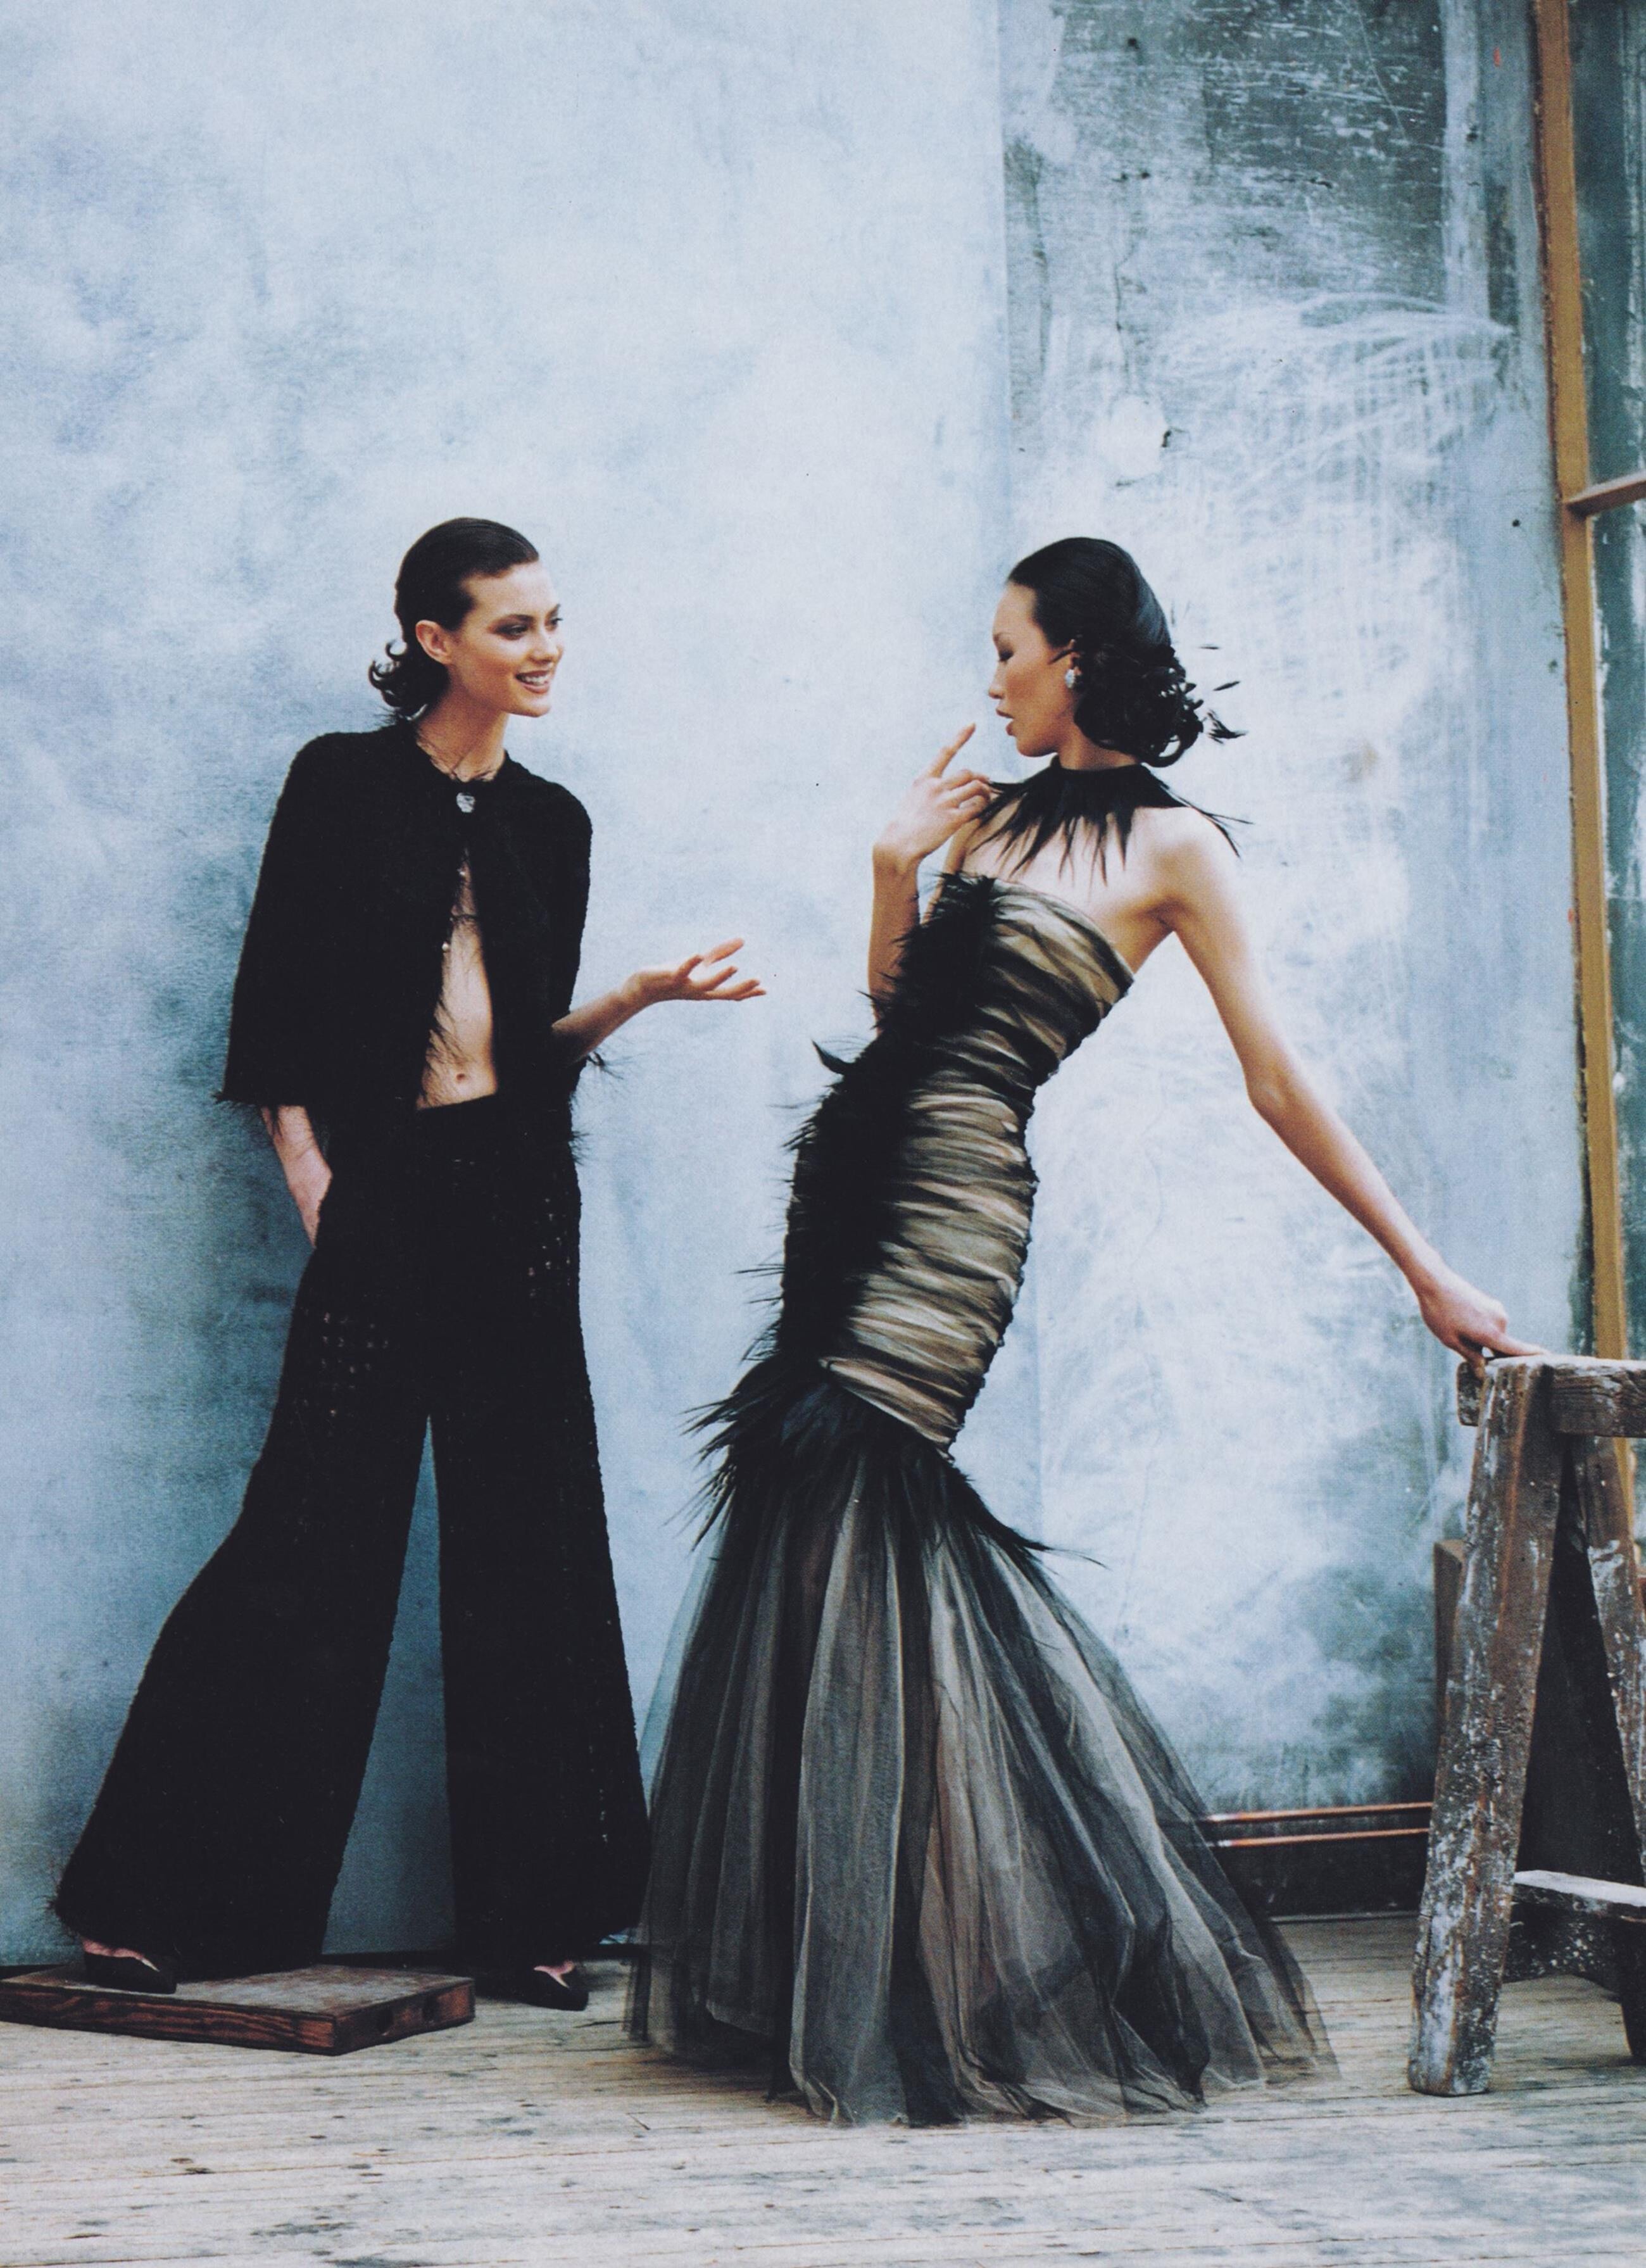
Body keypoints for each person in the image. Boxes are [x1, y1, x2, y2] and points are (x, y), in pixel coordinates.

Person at [627, 536, 1532, 2122]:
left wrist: (1423, 1271)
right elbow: (897, 1017)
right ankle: (836, 1971)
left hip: (955, 1203)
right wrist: (893, 870)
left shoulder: (1177, 848)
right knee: (806, 1511)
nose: (989, 681)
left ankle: (950, 1971)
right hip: (852, 1182)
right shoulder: (991, 816)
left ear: (1078, 657)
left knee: (876, 1507)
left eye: (1008, 650)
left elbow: (1275, 1082)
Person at [54, 517, 761, 2010]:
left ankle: (539, 1918)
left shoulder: (553, 822)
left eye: (551, 620)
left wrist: (635, 996)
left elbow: (531, 1053)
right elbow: (272, 1003)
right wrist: (318, 1183)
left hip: (515, 1200)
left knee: (531, 1541)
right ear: (435, 640)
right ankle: (169, 1904)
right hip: (381, 1192)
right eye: (512, 627)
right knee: (310, 1533)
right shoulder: (340, 785)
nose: (544, 648)